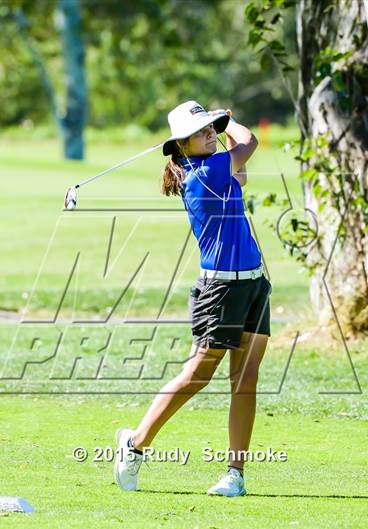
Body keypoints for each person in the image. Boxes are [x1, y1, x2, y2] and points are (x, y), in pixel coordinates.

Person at [114, 100, 272, 497]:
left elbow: (243, 171)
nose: (210, 135)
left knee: (245, 379)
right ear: (182, 146)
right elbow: (249, 142)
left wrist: (215, 126)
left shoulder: (217, 169)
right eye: (201, 132)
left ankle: (235, 474)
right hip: (220, 289)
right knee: (199, 374)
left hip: (253, 283)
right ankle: (134, 444)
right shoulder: (204, 174)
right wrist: (229, 120)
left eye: (211, 129)